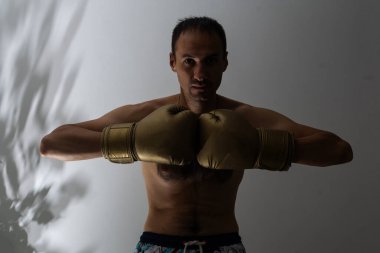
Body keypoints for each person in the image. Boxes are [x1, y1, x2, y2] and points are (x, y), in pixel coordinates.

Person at [40, 17, 353, 253]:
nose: (200, 74)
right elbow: (51, 145)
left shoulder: (248, 119)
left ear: (225, 62)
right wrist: (134, 141)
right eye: (189, 62)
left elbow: (339, 150)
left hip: (225, 245)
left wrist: (258, 147)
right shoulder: (144, 116)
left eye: (210, 61)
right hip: (157, 245)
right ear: (173, 62)